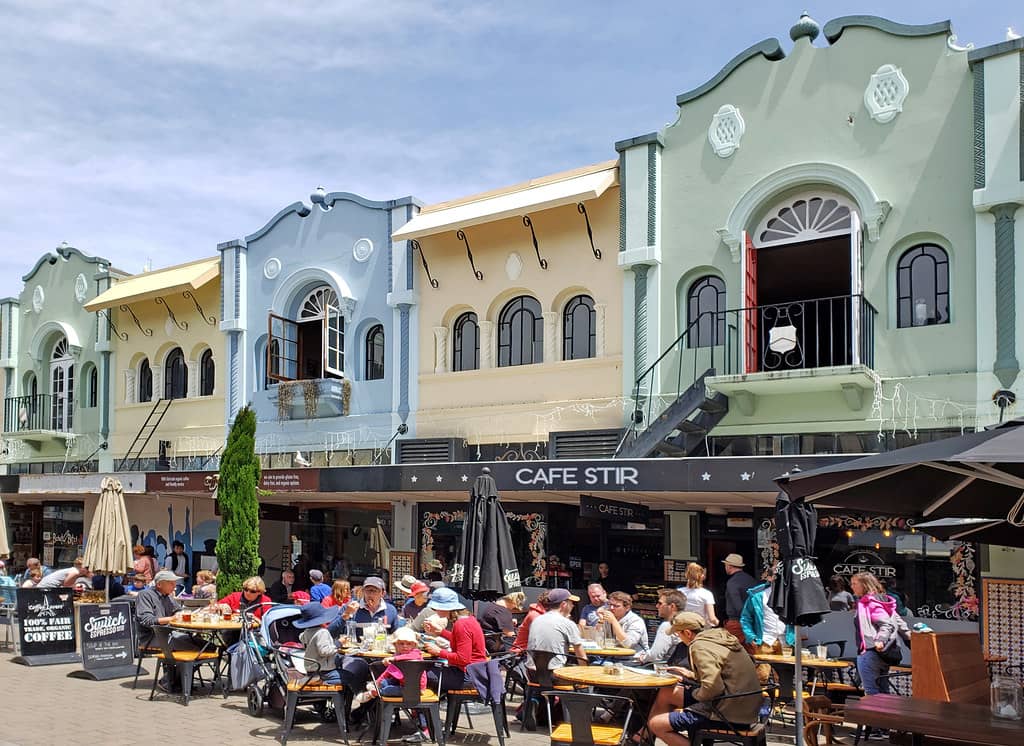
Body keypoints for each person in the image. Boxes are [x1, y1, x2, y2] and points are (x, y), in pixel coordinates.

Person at [648, 612, 762, 746]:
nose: (679, 638)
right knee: (667, 694)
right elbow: (722, 674)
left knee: (656, 724)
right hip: (745, 705)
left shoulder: (699, 646)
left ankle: (650, 731)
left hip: (726, 712)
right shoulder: (719, 638)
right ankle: (644, 737)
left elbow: (713, 688)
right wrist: (691, 675)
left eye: (678, 634)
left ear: (687, 633)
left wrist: (696, 695)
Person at [135, 570, 201, 692]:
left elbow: (177, 610)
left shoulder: (167, 596)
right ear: (159, 584)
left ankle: (178, 681)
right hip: (152, 637)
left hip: (169, 634)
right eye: (171, 583)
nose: (174, 586)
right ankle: (169, 681)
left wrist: (181, 613)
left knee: (207, 646)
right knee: (198, 648)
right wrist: (171, 619)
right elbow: (146, 620)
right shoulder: (145, 595)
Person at [851, 571, 910, 697]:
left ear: (864, 585)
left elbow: (886, 624)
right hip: (883, 656)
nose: (852, 587)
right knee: (884, 694)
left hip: (870, 652)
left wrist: (880, 640)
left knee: (872, 694)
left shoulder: (869, 603)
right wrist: (914, 639)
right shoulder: (882, 602)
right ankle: (885, 716)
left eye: (854, 583)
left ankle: (874, 717)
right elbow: (900, 624)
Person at [422, 587, 488, 694]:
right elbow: (461, 640)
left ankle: (426, 709)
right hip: (476, 672)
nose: (434, 610)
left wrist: (439, 652)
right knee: (429, 670)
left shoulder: (461, 624)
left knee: (420, 675)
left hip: (468, 676)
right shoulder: (468, 619)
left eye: (436, 608)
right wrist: (440, 632)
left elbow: (463, 659)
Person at [526, 588, 587, 669]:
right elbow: (580, 655)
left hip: (532, 673)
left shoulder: (536, 620)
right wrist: (585, 673)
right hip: (555, 674)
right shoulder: (567, 623)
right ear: (563, 604)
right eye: (571, 603)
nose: (573, 606)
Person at [292, 600, 345, 684]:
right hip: (323, 670)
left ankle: (316, 679)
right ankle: (323, 681)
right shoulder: (322, 632)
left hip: (311, 669)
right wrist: (339, 643)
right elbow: (324, 651)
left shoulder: (307, 632)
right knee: (351, 677)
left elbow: (301, 637)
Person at [740, 580, 791, 655]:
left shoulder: (790, 595)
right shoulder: (757, 595)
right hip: (765, 642)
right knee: (764, 666)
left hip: (786, 643)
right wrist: (751, 637)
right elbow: (745, 618)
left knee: (787, 667)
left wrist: (793, 637)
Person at [637, 589, 686, 665]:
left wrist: (643, 658)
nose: (657, 606)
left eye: (660, 603)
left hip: (664, 669)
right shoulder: (685, 623)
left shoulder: (667, 626)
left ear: (672, 606)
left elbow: (655, 656)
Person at [722, 553, 755, 645]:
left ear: (729, 566)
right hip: (753, 620)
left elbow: (737, 605)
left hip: (737, 622)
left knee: (732, 651)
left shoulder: (732, 582)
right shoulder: (751, 579)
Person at [679, 563, 719, 627]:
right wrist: (717, 622)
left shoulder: (679, 592)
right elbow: (712, 618)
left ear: (686, 575)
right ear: (702, 577)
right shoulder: (707, 594)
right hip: (700, 629)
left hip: (683, 628)